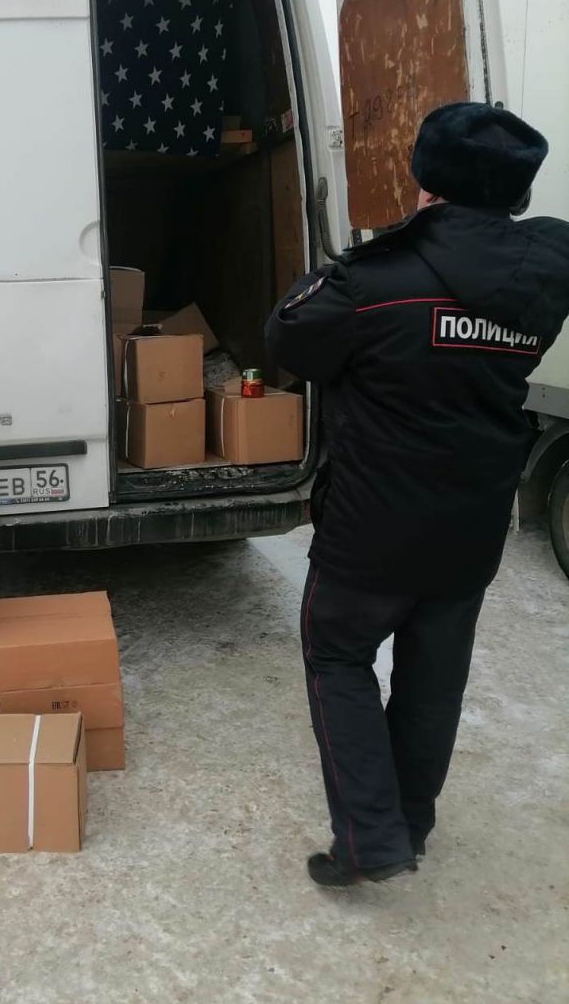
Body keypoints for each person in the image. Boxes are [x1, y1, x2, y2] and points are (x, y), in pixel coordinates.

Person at [265, 102, 569, 887]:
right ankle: (410, 824)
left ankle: (370, 838)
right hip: (470, 530)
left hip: (368, 531)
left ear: (425, 181)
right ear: (516, 191)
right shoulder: (542, 277)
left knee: (337, 657)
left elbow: (287, 339)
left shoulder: (373, 281)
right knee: (433, 682)